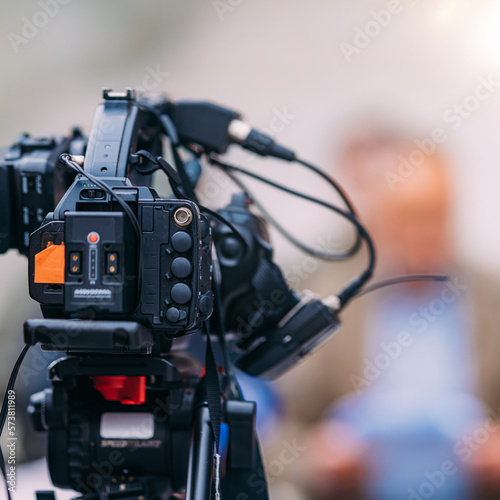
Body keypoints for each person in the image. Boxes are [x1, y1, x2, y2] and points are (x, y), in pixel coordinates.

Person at [275, 120, 500, 499]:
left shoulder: (490, 298)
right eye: (409, 217)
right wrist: (317, 457)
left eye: (435, 215)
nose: (423, 234)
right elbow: (274, 427)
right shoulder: (334, 302)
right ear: (381, 218)